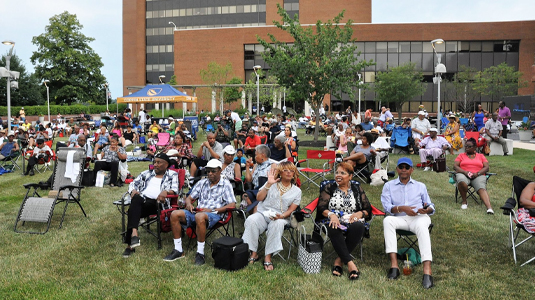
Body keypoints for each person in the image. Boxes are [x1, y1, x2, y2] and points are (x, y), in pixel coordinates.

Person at [164, 159, 236, 264]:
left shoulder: (226, 184)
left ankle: (200, 253)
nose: (210, 174)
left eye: (213, 171)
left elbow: (232, 204)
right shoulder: (202, 182)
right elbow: (189, 197)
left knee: (200, 216)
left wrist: (212, 210)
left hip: (215, 214)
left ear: (220, 171)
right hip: (198, 212)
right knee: (175, 214)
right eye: (208, 171)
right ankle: (178, 250)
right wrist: (188, 204)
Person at [381, 157, 435, 289]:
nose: (404, 170)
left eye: (407, 167)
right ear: (397, 169)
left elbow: (430, 205)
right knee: (387, 220)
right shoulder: (388, 186)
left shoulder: (420, 186)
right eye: (401, 167)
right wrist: (402, 208)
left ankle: (427, 270)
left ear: (412, 170)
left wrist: (426, 209)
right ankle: (394, 266)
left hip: (418, 217)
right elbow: (387, 207)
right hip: (399, 218)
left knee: (422, 225)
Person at [316, 162, 371, 279]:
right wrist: (331, 215)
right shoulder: (329, 187)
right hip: (332, 219)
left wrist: (359, 213)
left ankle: (339, 260)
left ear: (350, 176)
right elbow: (321, 207)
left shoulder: (356, 188)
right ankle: (350, 264)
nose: (338, 175)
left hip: (352, 219)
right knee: (333, 225)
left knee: (358, 226)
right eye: (337, 173)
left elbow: (368, 209)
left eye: (343, 173)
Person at [242, 161, 301, 270]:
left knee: (276, 224)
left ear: (294, 173)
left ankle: (268, 257)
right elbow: (259, 198)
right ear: (280, 173)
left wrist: (282, 216)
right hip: (263, 213)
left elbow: (292, 209)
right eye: (285, 170)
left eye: (291, 170)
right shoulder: (271, 183)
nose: (289, 173)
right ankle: (253, 253)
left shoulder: (297, 191)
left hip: (282, 217)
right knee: (252, 220)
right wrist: (268, 184)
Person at [122, 153, 178, 257]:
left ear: (166, 165)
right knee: (136, 200)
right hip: (143, 201)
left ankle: (130, 245)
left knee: (132, 211)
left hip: (158, 204)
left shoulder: (172, 174)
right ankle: (134, 233)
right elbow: (133, 183)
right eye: (154, 162)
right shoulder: (147, 173)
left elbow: (175, 190)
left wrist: (166, 192)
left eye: (158, 162)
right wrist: (133, 190)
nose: (155, 165)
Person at [453, 138, 494, 213]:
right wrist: (465, 172)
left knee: (481, 187)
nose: (466, 148)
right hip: (463, 174)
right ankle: (464, 202)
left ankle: (489, 208)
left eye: (469, 146)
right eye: (466, 146)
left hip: (478, 175)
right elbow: (455, 166)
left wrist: (477, 173)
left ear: (475, 147)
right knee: (461, 181)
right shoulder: (461, 155)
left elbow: (486, 167)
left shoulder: (481, 156)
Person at [243, 144, 272, 210]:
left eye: (256, 155)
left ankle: (256, 210)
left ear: (262, 155)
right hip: (255, 189)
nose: (254, 157)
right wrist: (247, 167)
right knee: (245, 196)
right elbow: (249, 180)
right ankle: (253, 212)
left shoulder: (271, 165)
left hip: (265, 190)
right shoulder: (256, 165)